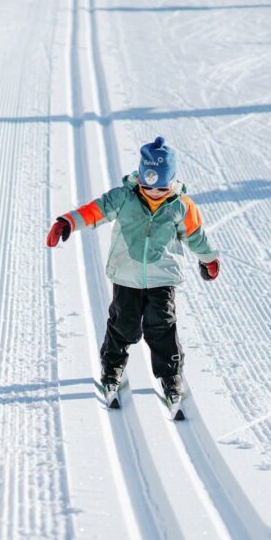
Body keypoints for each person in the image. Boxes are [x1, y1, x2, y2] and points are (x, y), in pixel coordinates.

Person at [45, 137, 219, 406]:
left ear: (171, 182)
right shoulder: (124, 197)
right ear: (140, 178)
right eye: (148, 186)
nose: (153, 193)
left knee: (162, 326)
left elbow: (196, 235)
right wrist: (68, 222)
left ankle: (171, 375)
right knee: (123, 325)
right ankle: (112, 366)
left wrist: (208, 259)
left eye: (161, 188)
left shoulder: (182, 206)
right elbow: (95, 210)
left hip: (162, 279)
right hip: (126, 277)